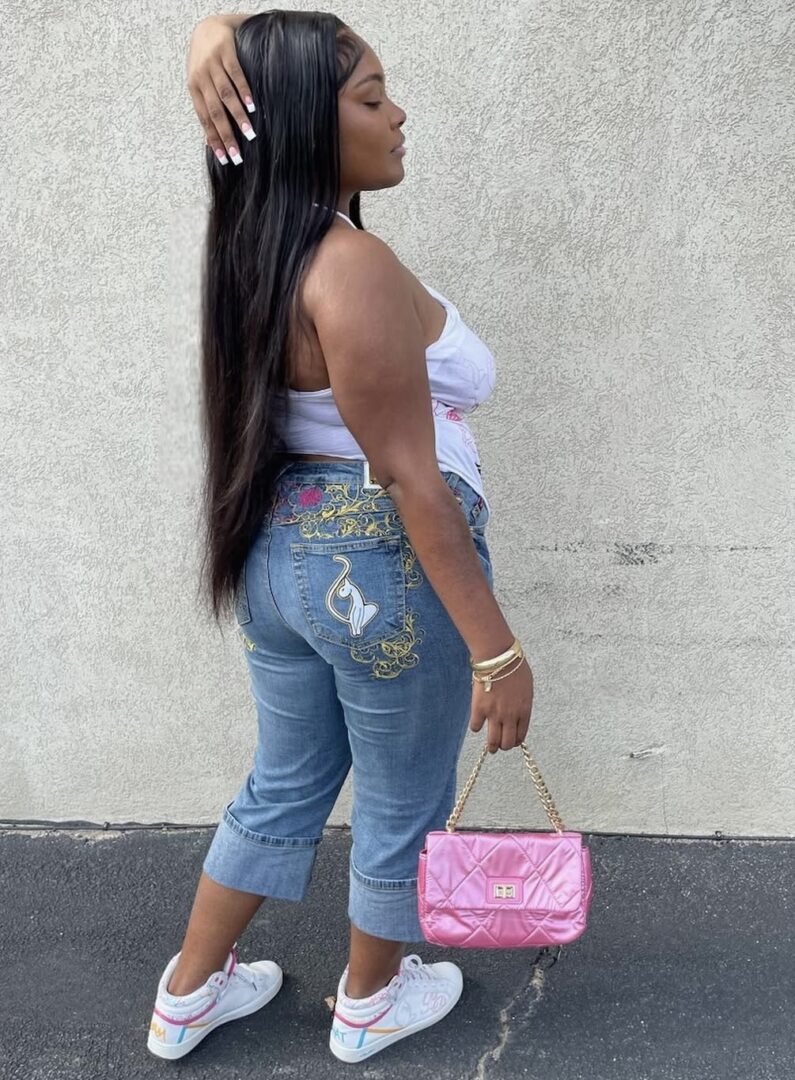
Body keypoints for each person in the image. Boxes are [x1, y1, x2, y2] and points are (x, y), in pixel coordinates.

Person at [147, 9, 534, 1066]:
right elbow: (409, 475)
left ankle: (188, 994)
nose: (397, 115)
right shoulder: (349, 262)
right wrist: (496, 651)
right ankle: (369, 1000)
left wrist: (214, 30)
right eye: (370, 98)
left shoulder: (252, 248)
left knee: (283, 780)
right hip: (379, 568)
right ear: (302, 126)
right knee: (400, 796)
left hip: (281, 554)